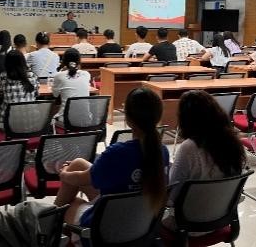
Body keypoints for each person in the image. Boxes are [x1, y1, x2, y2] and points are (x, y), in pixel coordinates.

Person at [53, 87, 169, 227]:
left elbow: (80, 178)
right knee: (78, 163)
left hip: (107, 224)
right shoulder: (162, 151)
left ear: (128, 118)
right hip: (141, 221)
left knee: (68, 204)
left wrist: (64, 173)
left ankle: (49, 227)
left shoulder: (117, 153)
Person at [162, 90, 245, 231]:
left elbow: (171, 197)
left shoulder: (189, 148)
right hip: (221, 220)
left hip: (187, 225)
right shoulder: (233, 143)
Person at [0, 50, 39, 127]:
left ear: (7, 63)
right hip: (31, 123)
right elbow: (36, 93)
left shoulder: (4, 76)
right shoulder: (32, 76)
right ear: (23, 62)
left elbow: (0, 92)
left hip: (8, 125)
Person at [52, 49, 91, 126]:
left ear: (63, 61)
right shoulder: (86, 74)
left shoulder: (59, 75)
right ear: (79, 61)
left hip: (65, 120)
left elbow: (55, 95)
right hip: (85, 119)